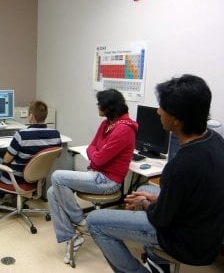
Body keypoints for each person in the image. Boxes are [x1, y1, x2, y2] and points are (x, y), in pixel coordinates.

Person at [88, 74, 224, 273]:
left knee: (95, 221)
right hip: (208, 231)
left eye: (162, 108)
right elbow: (191, 196)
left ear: (176, 119)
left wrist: (145, 204)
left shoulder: (181, 166)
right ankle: (156, 264)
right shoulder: (215, 140)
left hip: (186, 242)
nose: (158, 111)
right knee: (144, 188)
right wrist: (157, 199)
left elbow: (161, 219)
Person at [47, 89, 138, 264]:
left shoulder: (124, 129)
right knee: (52, 192)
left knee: (57, 176)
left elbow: (98, 157)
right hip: (96, 174)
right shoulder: (107, 124)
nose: (97, 106)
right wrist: (95, 154)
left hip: (108, 181)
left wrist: (96, 154)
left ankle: (79, 220)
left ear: (108, 107)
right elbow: (92, 148)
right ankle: (72, 236)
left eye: (100, 104)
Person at [0, 100, 62, 207]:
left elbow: (6, 160)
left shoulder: (22, 135)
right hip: (37, 179)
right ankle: (11, 197)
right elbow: (57, 154)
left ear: (31, 116)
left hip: (16, 178)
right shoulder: (55, 134)